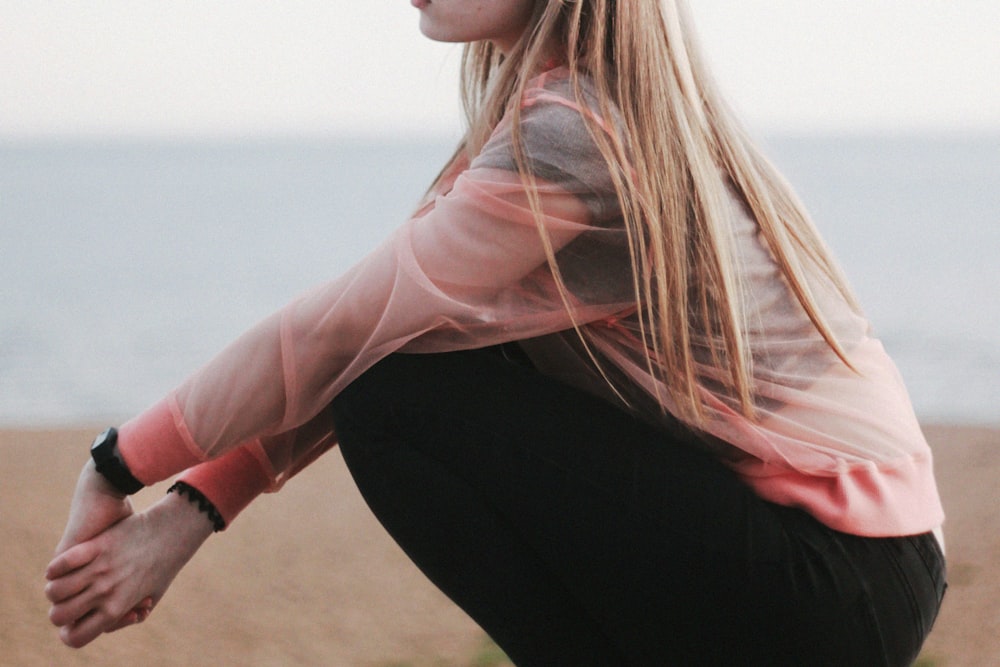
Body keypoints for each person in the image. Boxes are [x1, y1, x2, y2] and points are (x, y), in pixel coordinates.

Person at [45, 1, 947, 664]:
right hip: (864, 567)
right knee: (401, 381)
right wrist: (193, 509)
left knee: (392, 402)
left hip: (833, 577)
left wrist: (117, 463)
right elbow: (380, 334)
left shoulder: (578, 141)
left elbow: (336, 337)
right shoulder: (578, 114)